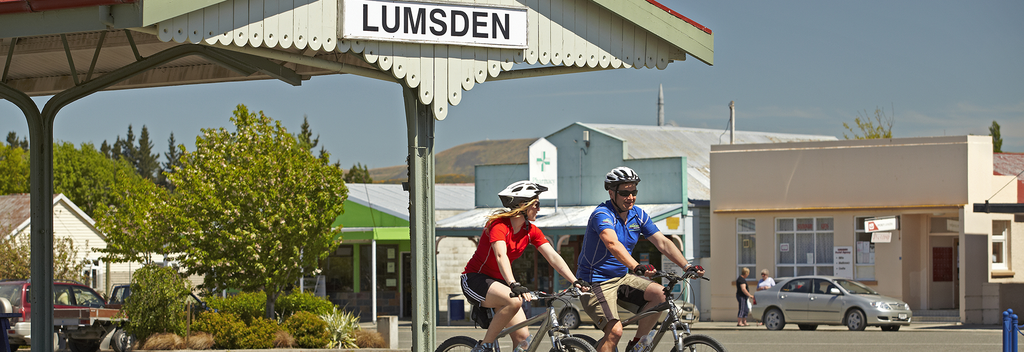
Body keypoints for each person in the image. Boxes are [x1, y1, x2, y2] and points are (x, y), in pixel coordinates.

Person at [576, 167, 703, 352]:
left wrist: (686, 266)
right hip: (595, 281)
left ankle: (636, 346)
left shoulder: (638, 215)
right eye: (625, 193)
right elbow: (612, 243)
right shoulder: (602, 214)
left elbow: (662, 242)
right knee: (615, 332)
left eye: (633, 192)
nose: (630, 197)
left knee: (661, 294)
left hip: (621, 278)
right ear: (611, 193)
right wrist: (636, 266)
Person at [461, 181, 590, 352]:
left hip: (500, 283)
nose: (539, 209)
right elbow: (501, 256)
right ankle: (484, 346)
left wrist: (575, 281)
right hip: (475, 278)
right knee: (514, 301)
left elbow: (552, 257)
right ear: (523, 205)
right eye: (536, 204)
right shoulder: (498, 225)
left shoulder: (530, 231)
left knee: (523, 340)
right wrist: (513, 284)